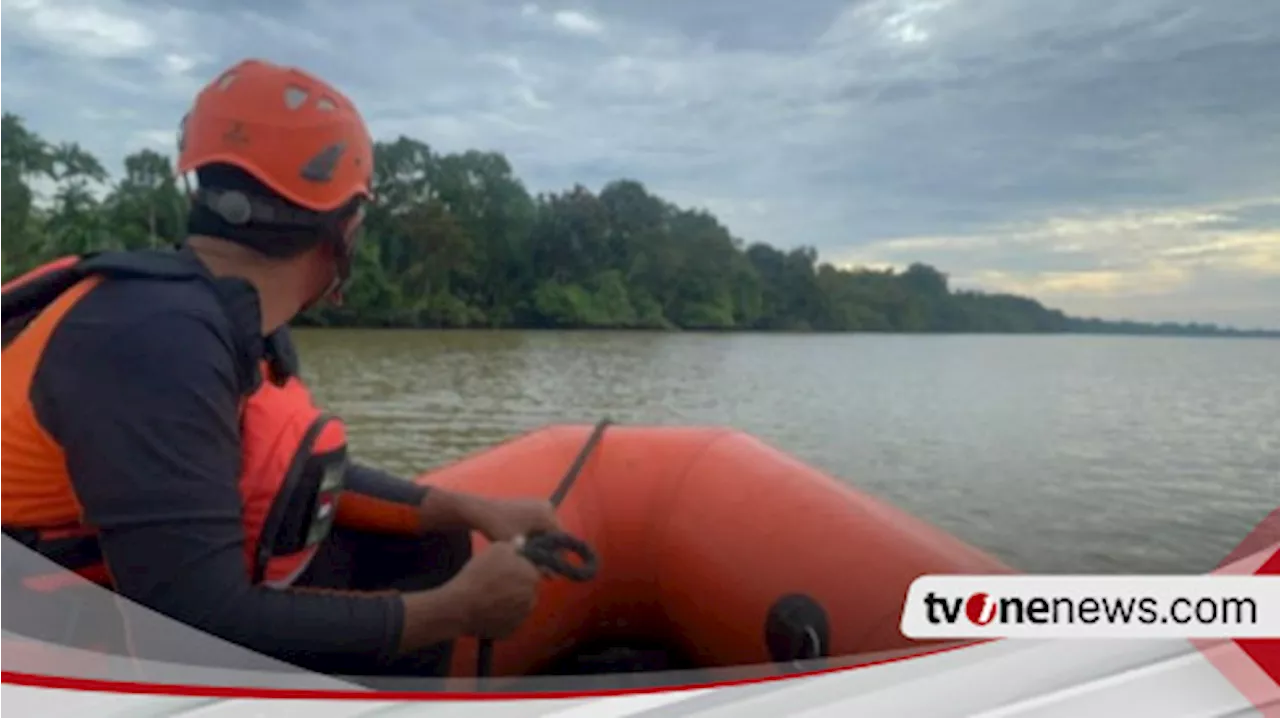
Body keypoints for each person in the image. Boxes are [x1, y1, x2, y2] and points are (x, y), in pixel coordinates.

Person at [0, 58, 554, 678]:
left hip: (108, 599)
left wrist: (464, 507)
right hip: (47, 655)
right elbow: (188, 627)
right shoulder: (158, 342)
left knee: (427, 544)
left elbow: (290, 470)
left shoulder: (201, 313)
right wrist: (453, 611)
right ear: (345, 231)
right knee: (426, 585)